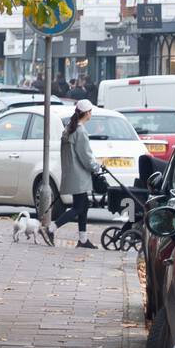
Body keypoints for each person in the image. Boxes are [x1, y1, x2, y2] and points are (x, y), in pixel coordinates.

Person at [45, 99, 103, 249]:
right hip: (79, 175)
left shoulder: (69, 129)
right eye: (91, 111)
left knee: (84, 205)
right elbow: (85, 156)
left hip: (71, 172)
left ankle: (83, 239)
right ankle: (51, 228)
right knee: (79, 207)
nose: (91, 114)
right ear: (87, 113)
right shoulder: (81, 131)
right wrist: (96, 167)